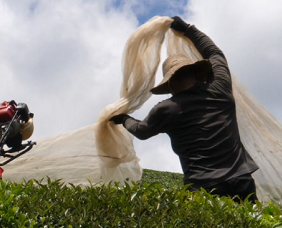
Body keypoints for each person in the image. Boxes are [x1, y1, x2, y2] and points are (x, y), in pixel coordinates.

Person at [110, 17, 258, 202]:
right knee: (248, 219)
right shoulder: (220, 88)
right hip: (241, 180)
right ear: (197, 73)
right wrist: (188, 29)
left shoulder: (167, 109)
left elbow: (142, 131)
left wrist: (124, 119)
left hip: (204, 186)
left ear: (169, 84)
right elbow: (215, 53)